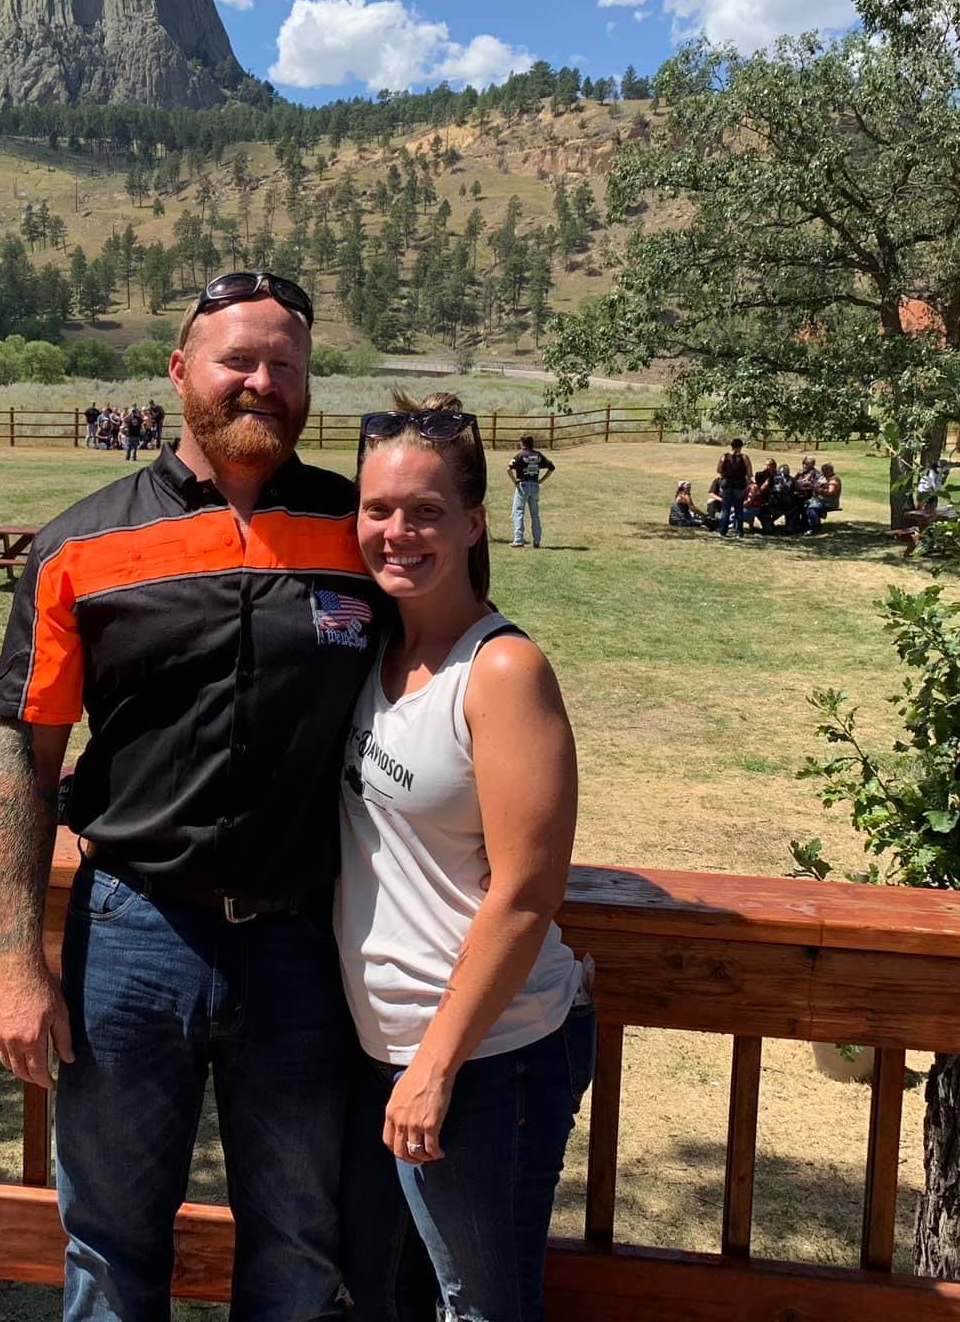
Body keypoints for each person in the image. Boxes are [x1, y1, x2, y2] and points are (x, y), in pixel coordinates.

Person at [0, 268, 381, 1320]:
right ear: (177, 374)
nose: (261, 381)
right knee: (109, 1242)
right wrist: (15, 963)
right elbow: (24, 765)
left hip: (304, 939)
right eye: (236, 360)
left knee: (300, 1242)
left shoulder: (364, 539)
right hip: (129, 935)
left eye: (284, 365)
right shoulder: (82, 545)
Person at [338, 392, 593, 1320]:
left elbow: (529, 892)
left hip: (490, 1056)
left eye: (427, 512)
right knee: (390, 1301)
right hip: (386, 1048)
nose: (398, 532)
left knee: (478, 1308)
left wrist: (436, 1066)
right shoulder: (374, 650)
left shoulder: (501, 672)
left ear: (475, 521)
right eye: (378, 509)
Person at [505, 434, 555, 549]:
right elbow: (551, 467)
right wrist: (541, 480)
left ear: (522, 443)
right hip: (534, 485)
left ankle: (518, 540)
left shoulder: (519, 455)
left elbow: (508, 468)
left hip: (523, 485)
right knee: (535, 515)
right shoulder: (538, 455)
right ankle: (537, 541)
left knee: (518, 512)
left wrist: (514, 481)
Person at [715, 437, 752, 539]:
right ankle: (739, 532)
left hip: (727, 484)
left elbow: (718, 470)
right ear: (741, 446)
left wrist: (725, 474)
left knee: (725, 509)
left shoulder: (724, 456)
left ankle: (722, 531)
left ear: (731, 446)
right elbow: (749, 472)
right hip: (739, 485)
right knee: (738, 509)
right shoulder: (744, 457)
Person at [805, 461, 842, 534]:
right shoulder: (823, 477)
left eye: (824, 471)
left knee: (812, 508)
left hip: (828, 502)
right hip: (817, 500)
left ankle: (814, 528)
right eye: (822, 471)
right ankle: (803, 524)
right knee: (801, 503)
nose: (822, 473)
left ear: (830, 470)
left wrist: (817, 489)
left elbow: (830, 492)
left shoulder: (834, 480)